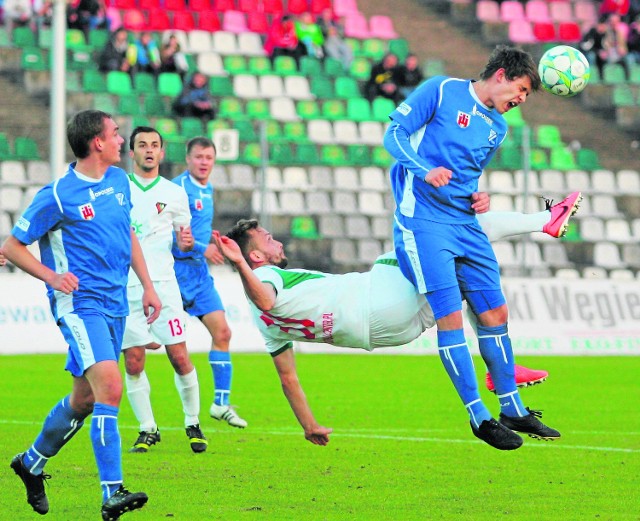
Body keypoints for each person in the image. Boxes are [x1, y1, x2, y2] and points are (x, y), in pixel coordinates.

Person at [213, 197, 581, 445]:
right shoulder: (266, 279)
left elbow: (288, 378)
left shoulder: (263, 322)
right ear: (256, 255)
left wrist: (309, 425)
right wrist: (241, 264)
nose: (276, 241)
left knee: (456, 270)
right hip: (380, 297)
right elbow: (262, 295)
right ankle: (545, 219)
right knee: (451, 232)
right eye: (268, 238)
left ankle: (499, 370)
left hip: (391, 332)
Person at [383, 45, 566, 451]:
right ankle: (478, 416)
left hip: (464, 223)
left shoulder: (497, 128)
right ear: (500, 75)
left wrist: (477, 197)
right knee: (450, 318)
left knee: (495, 312)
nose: (519, 100)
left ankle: (512, 407)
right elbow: (392, 135)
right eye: (519, 90)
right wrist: (423, 170)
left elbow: (467, 174)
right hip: (423, 222)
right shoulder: (441, 90)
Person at [2, 110, 160, 519]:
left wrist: (147, 285)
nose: (122, 140)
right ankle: (112, 493)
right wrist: (52, 277)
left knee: (84, 399)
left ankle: (31, 463)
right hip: (80, 305)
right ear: (97, 143)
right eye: (116, 134)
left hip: (115, 304)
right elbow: (13, 246)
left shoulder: (119, 181)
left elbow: (127, 232)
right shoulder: (58, 195)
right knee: (110, 388)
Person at [122, 126, 208, 454]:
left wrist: (186, 242)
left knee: (179, 356)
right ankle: (147, 429)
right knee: (133, 360)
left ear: (161, 152)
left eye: (154, 145)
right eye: (142, 145)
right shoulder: (119, 189)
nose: (148, 150)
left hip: (164, 286)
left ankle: (192, 422)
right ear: (131, 152)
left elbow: (182, 237)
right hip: (126, 287)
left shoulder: (174, 193)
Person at [172, 137, 248, 428]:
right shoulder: (177, 189)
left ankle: (220, 403)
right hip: (174, 273)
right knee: (151, 347)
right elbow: (167, 233)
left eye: (209, 158)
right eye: (199, 157)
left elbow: (198, 229)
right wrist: (203, 247)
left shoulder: (208, 189)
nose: (204, 162)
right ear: (188, 159)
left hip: (200, 275)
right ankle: (146, 422)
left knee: (223, 332)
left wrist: (212, 242)